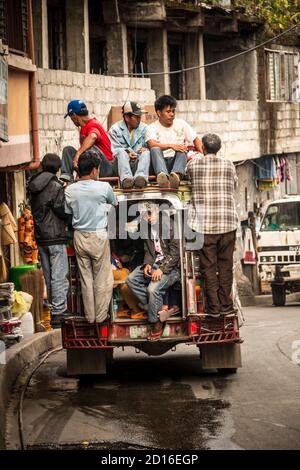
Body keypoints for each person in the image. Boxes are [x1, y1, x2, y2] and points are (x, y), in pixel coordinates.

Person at [186, 133, 239, 317]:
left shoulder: (193, 164)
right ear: (219, 148)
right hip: (227, 223)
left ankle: (213, 309)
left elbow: (188, 178)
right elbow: (234, 185)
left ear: (204, 148)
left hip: (204, 226)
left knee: (208, 268)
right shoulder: (229, 164)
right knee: (225, 267)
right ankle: (226, 307)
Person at [65, 150, 117, 323]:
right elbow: (115, 203)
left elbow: (67, 212)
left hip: (79, 236)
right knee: (102, 277)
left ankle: (90, 317)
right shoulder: (103, 187)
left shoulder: (70, 190)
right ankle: (101, 317)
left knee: (85, 279)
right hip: (98, 236)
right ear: (95, 170)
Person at [126, 203, 180, 340]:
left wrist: (162, 269)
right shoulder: (146, 228)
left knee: (152, 290)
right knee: (131, 280)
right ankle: (157, 308)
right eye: (145, 215)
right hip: (156, 264)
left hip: (172, 268)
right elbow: (149, 251)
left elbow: (175, 253)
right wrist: (147, 265)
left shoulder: (170, 225)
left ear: (157, 210)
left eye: (150, 214)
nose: (148, 218)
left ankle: (156, 323)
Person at [27, 153, 69, 328]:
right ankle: (59, 314)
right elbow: (61, 209)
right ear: (57, 168)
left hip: (41, 237)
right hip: (55, 236)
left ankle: (53, 311)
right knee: (59, 276)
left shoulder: (33, 184)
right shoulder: (55, 185)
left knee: (49, 276)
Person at [145, 95, 203, 189]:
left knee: (182, 148)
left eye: (173, 111)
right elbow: (151, 144)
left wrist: (205, 156)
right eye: (168, 111)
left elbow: (195, 139)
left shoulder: (182, 123)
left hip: (176, 163)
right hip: (159, 163)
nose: (172, 114)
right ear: (159, 113)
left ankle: (176, 176)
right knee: (155, 149)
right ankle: (163, 177)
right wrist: (171, 146)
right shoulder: (151, 128)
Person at [61, 99, 114, 182]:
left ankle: (91, 177)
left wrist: (78, 154)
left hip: (106, 168)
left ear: (74, 116)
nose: (71, 120)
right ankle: (67, 177)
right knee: (68, 150)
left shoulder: (93, 124)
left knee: (90, 149)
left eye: (71, 117)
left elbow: (93, 136)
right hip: (91, 166)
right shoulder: (83, 127)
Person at [109, 101, 150, 189]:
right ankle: (126, 179)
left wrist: (145, 149)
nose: (139, 120)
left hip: (137, 165)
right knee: (120, 151)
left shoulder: (145, 128)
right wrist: (127, 152)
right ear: (127, 117)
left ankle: (141, 178)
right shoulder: (115, 129)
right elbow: (113, 150)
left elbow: (150, 145)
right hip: (121, 167)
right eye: (137, 117)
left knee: (147, 153)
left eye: (140, 117)